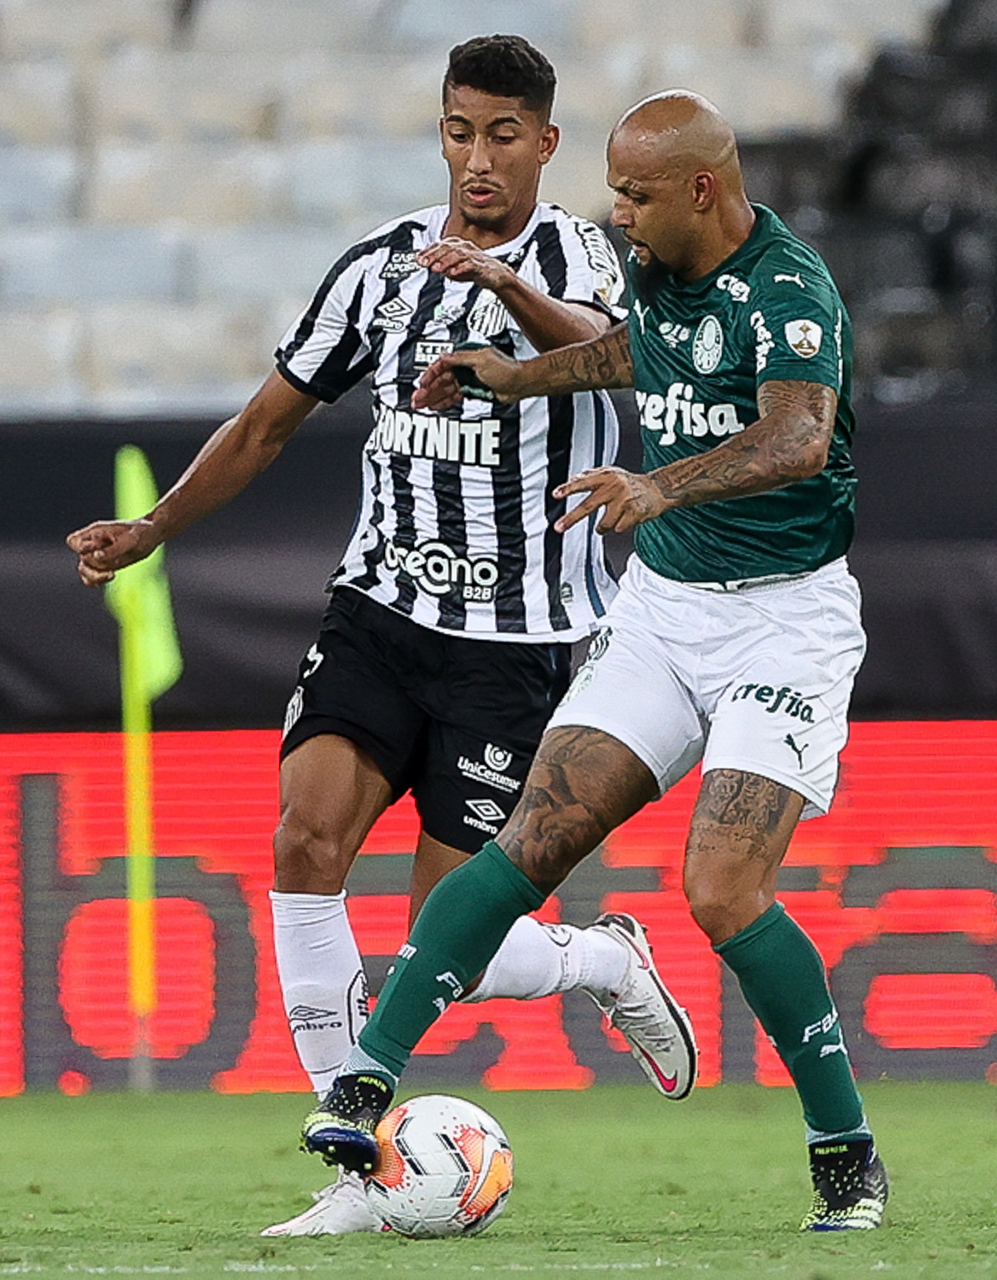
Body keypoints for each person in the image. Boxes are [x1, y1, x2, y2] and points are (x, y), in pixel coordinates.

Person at [66, 39, 698, 1238]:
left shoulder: (580, 257)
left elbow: (603, 358)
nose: (477, 158)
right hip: (379, 612)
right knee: (304, 840)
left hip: (515, 642)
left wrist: (500, 285)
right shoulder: (378, 268)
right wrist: (153, 528)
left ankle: (602, 962)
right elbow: (264, 422)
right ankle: (353, 1160)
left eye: (501, 134)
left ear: (546, 142)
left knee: (444, 943)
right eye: (459, 132)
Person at [301, 89, 891, 1234]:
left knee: (720, 891)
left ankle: (845, 1149)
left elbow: (797, 435)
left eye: (634, 194)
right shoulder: (661, 269)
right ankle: (364, 1080)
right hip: (664, 610)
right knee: (534, 836)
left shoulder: (788, 287)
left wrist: (657, 485)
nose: (616, 213)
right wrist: (509, 373)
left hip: (784, 619)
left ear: (701, 189)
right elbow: (640, 354)